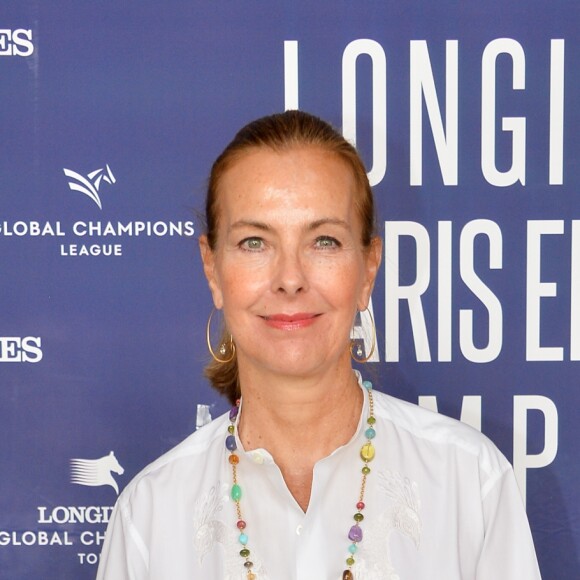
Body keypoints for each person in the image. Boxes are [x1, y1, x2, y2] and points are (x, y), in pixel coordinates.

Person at [96, 110, 541, 579]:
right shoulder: (149, 514)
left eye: (324, 241)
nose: (290, 279)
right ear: (213, 269)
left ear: (368, 268)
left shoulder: (470, 482)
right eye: (254, 242)